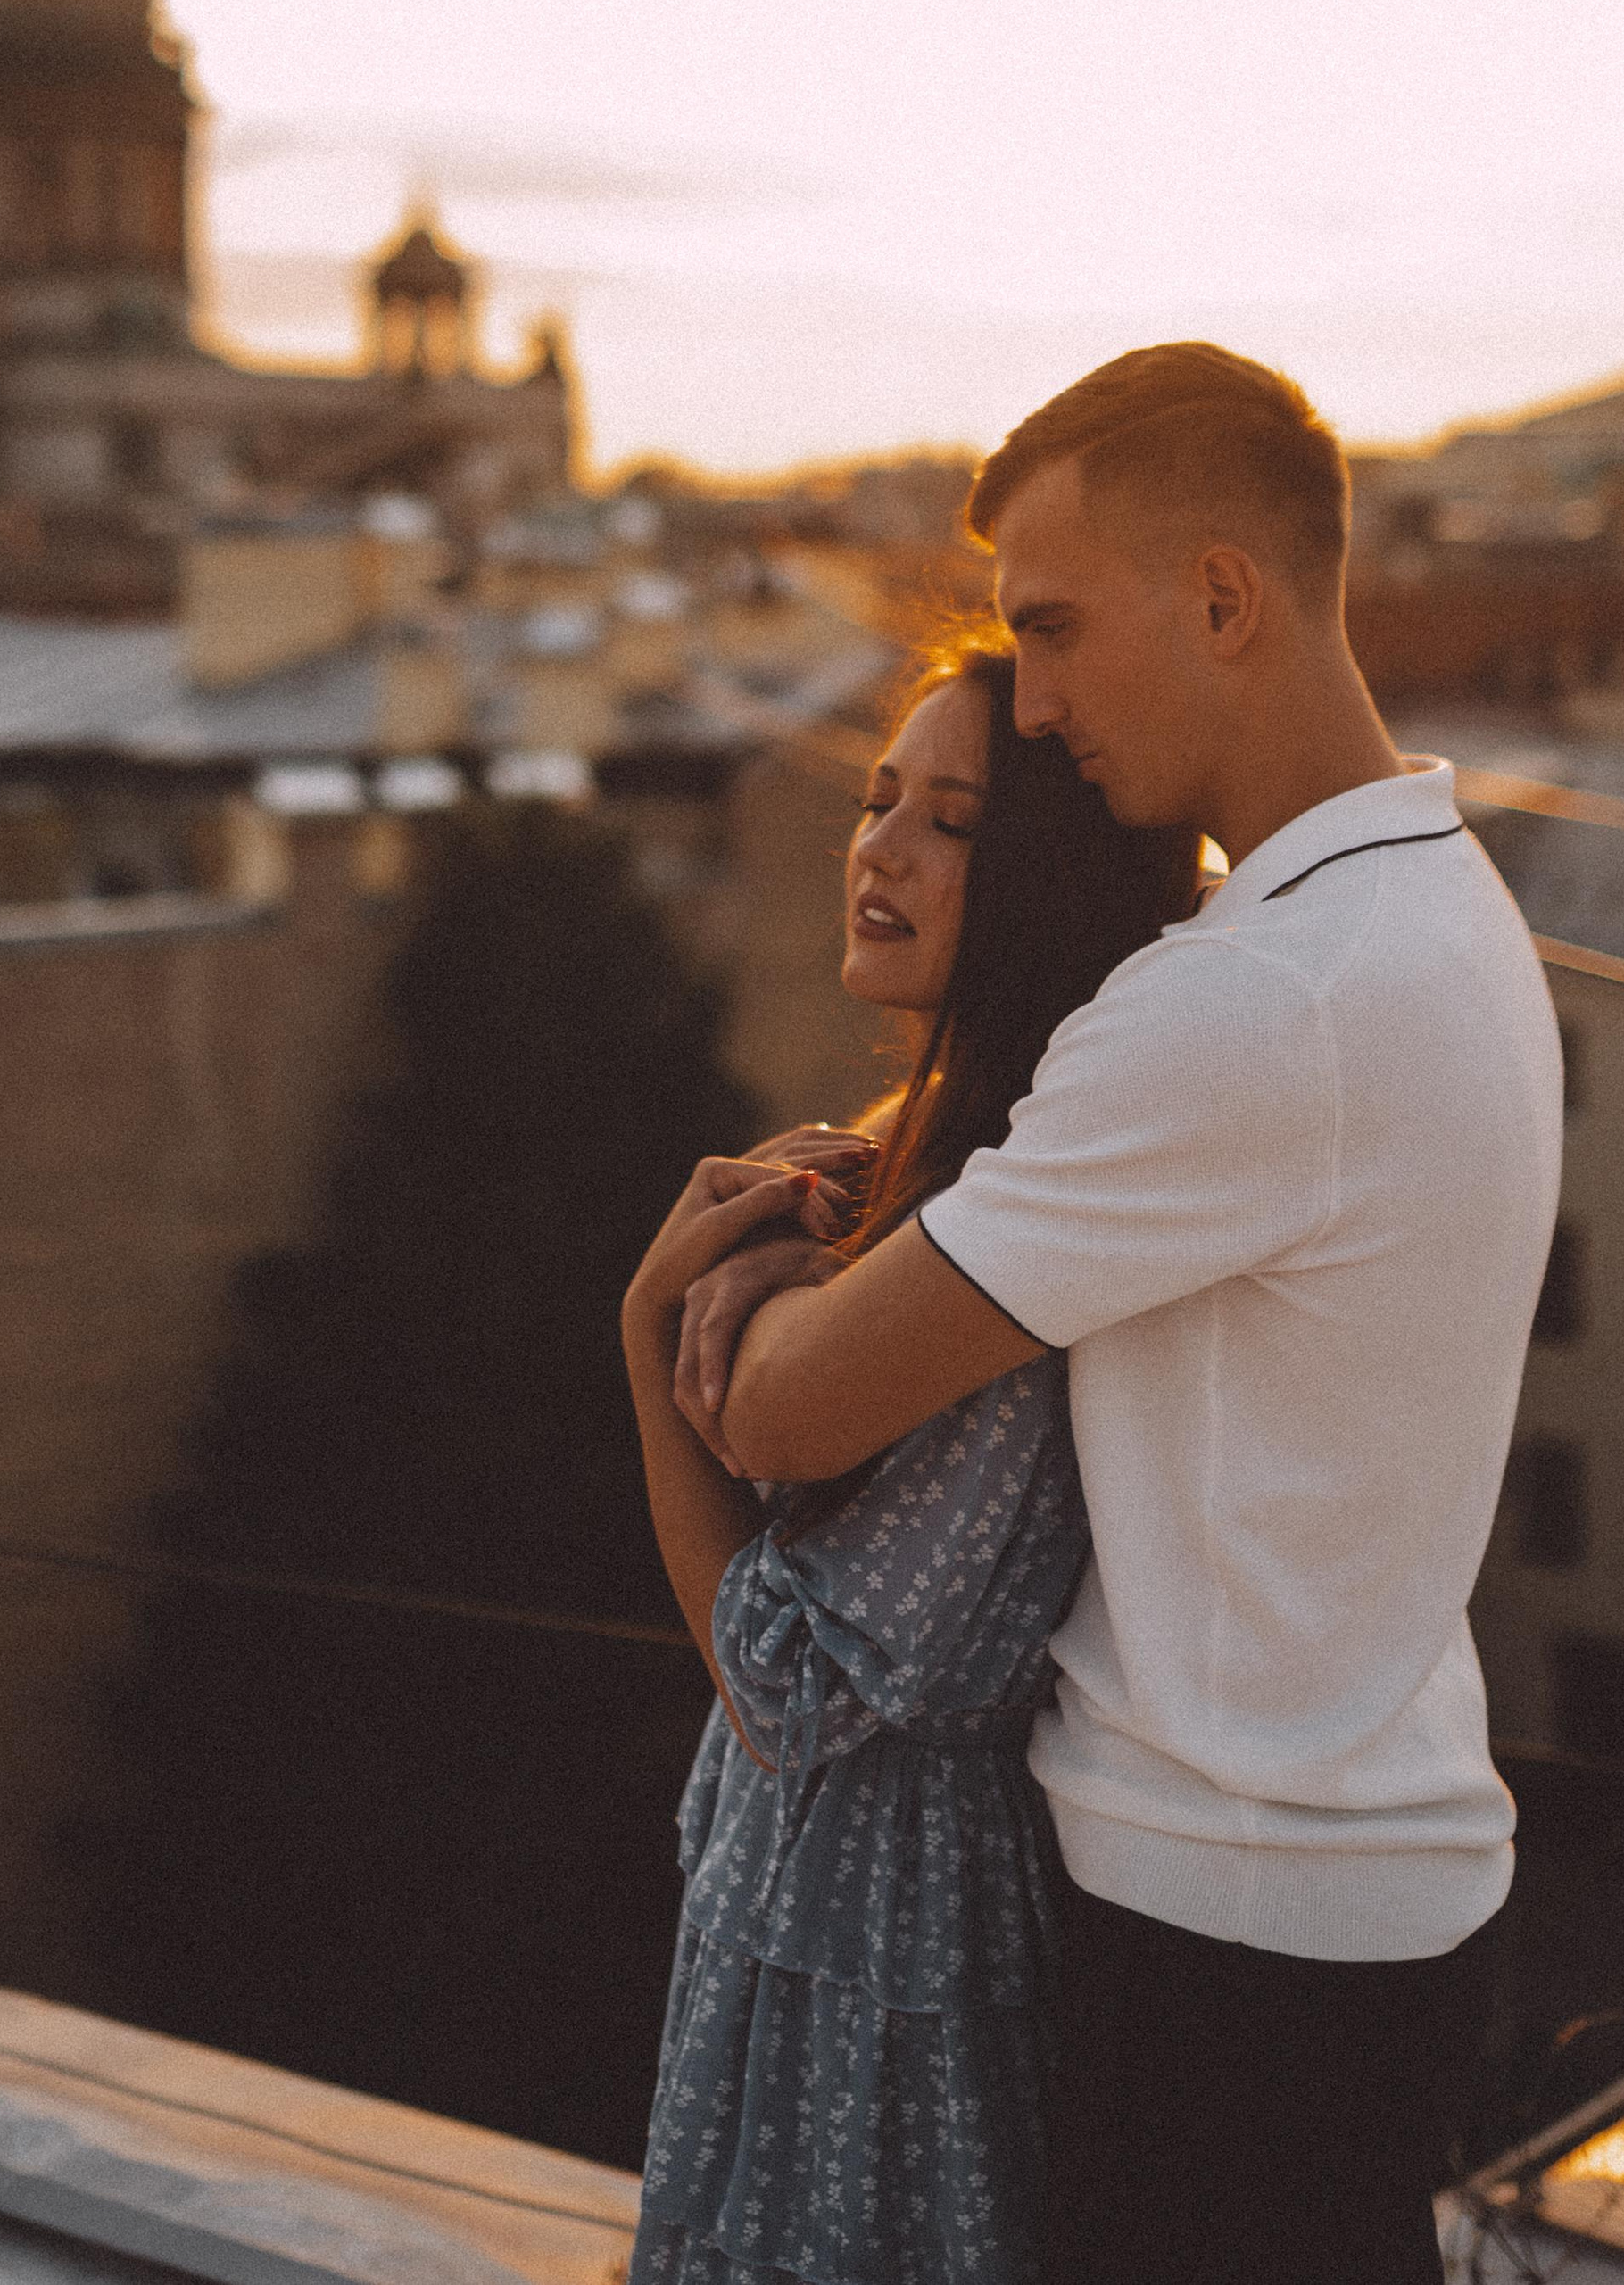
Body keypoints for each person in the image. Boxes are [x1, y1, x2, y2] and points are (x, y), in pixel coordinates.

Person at [672, 344, 1562, 2285]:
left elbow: (793, 1408)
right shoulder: (1441, 909)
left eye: (1055, 628)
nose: (1039, 703)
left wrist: (707, 1282)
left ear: (1225, 596)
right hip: (1360, 1879)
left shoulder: (1256, 998)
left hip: (1223, 1927)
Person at [623, 633, 1200, 2285]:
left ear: (1055, 884)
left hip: (899, 1938)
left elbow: (794, 1688)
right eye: (879, 801)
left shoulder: (1011, 1228)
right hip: (808, 1895)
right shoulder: (908, 1169)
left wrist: (646, 1350)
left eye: (950, 821)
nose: (877, 848)